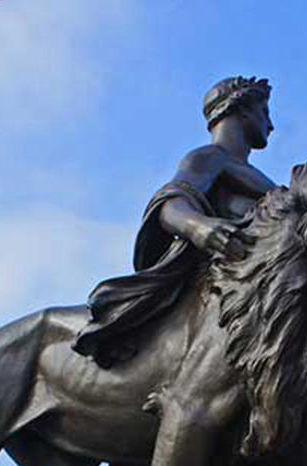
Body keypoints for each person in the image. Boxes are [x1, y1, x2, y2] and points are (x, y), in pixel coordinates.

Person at [73, 76, 276, 367]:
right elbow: (170, 203)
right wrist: (199, 227)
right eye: (264, 112)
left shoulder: (266, 183)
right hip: (220, 288)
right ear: (242, 110)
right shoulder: (209, 158)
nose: (271, 125)